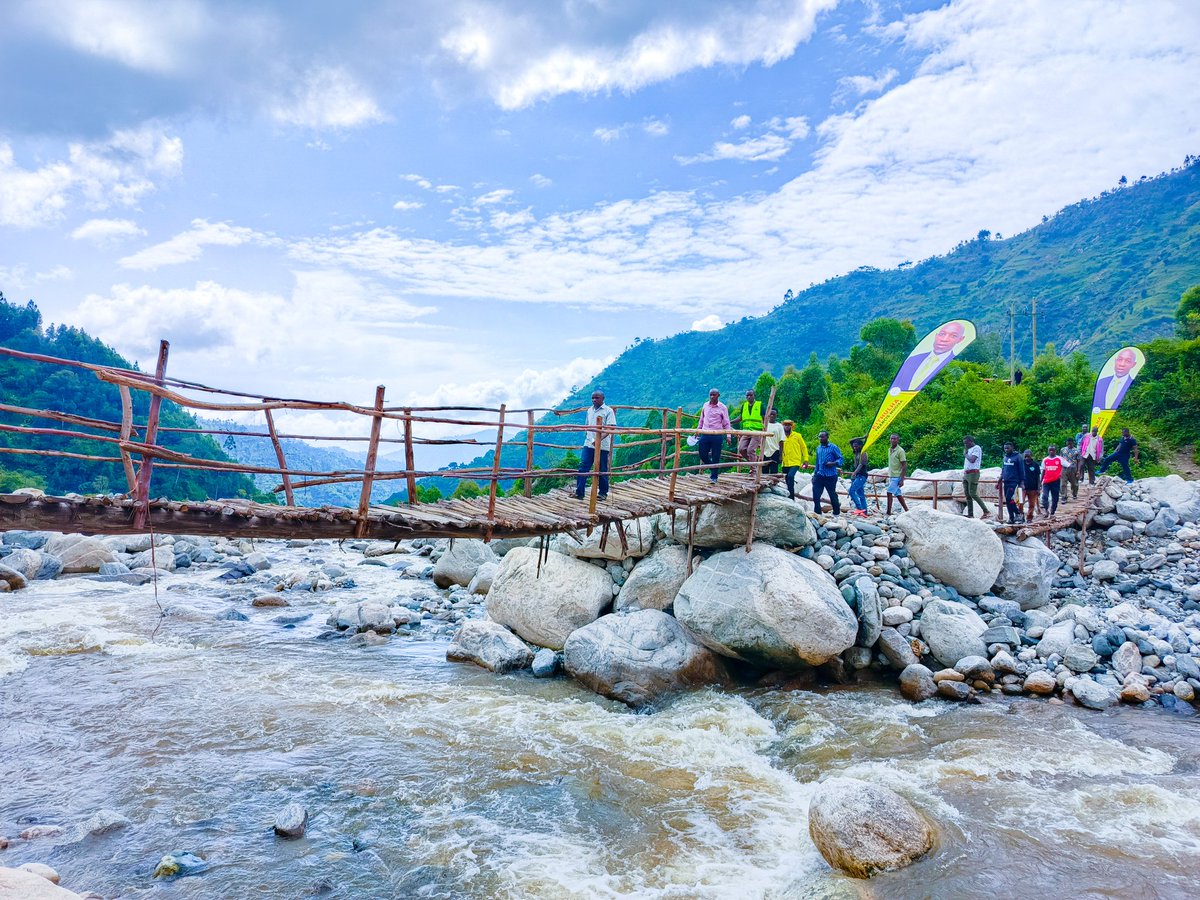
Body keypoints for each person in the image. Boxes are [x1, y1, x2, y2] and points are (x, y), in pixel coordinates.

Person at [891, 321, 965, 393]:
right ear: (936, 335)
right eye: (942, 334)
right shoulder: (913, 359)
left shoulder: (953, 365)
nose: (944, 339)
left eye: (953, 336)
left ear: (960, 339)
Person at [575, 390, 616, 501]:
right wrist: (590, 439)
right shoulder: (589, 410)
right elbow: (587, 426)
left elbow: (610, 428)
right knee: (583, 467)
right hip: (589, 444)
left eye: (597, 398)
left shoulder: (608, 411)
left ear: (603, 398)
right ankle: (579, 492)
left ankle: (603, 493)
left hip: (603, 445)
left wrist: (599, 439)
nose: (594, 400)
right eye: (593, 398)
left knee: (602, 469)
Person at [696, 388, 730, 482]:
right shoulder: (705, 405)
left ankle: (714, 477)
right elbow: (702, 419)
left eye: (714, 395)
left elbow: (726, 423)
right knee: (702, 454)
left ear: (718, 395)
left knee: (716, 456)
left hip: (717, 435)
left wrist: (728, 436)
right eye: (710, 395)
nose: (712, 397)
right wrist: (698, 430)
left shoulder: (723, 407)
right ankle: (713, 469)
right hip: (705, 433)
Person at [1093, 348, 1139, 413]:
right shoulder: (1102, 382)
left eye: (1128, 361)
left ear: (1133, 364)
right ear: (1115, 361)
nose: (1122, 364)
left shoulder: (1134, 385)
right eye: (1120, 359)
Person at [730, 389, 765, 467]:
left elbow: (765, 417)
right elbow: (740, 418)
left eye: (750, 395)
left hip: (756, 431)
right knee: (741, 449)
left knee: (750, 450)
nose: (749, 397)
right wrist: (730, 422)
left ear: (754, 395)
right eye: (747, 395)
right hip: (746, 432)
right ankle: (753, 462)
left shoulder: (759, 405)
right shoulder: (744, 405)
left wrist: (765, 429)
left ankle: (753, 469)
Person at [812, 431, 843, 515]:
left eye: (823, 437)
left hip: (830, 475)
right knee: (816, 494)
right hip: (820, 475)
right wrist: (815, 474)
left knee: (832, 494)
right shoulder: (818, 448)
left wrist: (833, 463)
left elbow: (841, 459)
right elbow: (817, 462)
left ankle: (836, 512)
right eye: (819, 437)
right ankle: (817, 513)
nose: (821, 439)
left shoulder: (833, 447)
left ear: (827, 437)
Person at [997, 442, 1026, 523]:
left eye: (1008, 448)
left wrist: (1022, 482)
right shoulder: (1005, 457)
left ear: (1012, 447)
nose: (1006, 450)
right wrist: (999, 480)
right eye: (1005, 448)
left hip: (1014, 481)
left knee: (1009, 497)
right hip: (1006, 481)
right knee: (1008, 500)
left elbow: (1021, 469)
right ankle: (1011, 518)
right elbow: (1003, 469)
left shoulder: (1018, 457)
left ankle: (1018, 513)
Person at [780, 420, 809, 500]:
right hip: (785, 462)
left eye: (789, 425)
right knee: (786, 479)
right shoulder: (781, 436)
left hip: (795, 461)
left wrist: (806, 459)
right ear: (783, 426)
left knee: (790, 476)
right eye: (785, 425)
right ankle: (788, 495)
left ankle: (791, 498)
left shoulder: (797, 436)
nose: (787, 426)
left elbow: (803, 447)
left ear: (792, 426)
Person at [962, 435, 989, 519]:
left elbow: (972, 460)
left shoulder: (976, 448)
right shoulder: (969, 449)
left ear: (971, 441)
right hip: (966, 473)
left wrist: (965, 455)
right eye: (964, 444)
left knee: (972, 493)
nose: (965, 445)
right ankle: (970, 514)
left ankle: (986, 511)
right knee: (967, 494)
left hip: (973, 473)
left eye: (966, 443)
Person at [886, 433, 908, 515]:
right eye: (891, 438)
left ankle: (888, 512)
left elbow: (904, 465)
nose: (893, 440)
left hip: (897, 476)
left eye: (895, 439)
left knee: (889, 492)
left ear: (898, 440)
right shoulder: (890, 449)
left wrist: (902, 479)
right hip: (891, 475)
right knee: (898, 494)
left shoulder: (900, 451)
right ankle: (906, 510)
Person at [848, 437, 869, 517]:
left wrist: (854, 473)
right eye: (854, 446)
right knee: (861, 494)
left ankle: (860, 508)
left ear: (861, 446)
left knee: (851, 491)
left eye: (856, 446)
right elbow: (850, 440)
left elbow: (861, 464)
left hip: (862, 476)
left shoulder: (863, 453)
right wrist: (863, 437)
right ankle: (865, 512)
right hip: (858, 476)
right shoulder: (856, 452)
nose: (855, 447)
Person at [1041, 445, 1065, 517]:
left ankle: (1052, 511)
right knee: (1045, 496)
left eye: (1053, 450)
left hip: (1055, 481)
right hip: (1046, 481)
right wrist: (1040, 481)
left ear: (1055, 451)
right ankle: (1046, 510)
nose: (1051, 452)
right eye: (1050, 450)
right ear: (1048, 451)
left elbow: (1068, 465)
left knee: (1055, 497)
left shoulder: (1059, 459)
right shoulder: (1045, 460)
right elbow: (1043, 471)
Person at [761, 410, 785, 475]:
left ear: (776, 415)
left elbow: (781, 441)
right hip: (765, 451)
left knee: (774, 472)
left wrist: (780, 455)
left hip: (775, 451)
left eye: (774, 414)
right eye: (770, 414)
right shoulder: (764, 425)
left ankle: (773, 485)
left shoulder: (779, 426)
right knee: (764, 471)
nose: (772, 416)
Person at [1022, 449, 1040, 521]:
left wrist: (1038, 488)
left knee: (1031, 504)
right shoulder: (1021, 464)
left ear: (1031, 456)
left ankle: (1029, 518)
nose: (1026, 458)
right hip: (1022, 488)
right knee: (1020, 503)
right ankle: (1021, 517)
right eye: (1025, 456)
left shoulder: (1035, 465)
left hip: (1033, 488)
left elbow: (1038, 477)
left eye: (1028, 456)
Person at [1061, 436, 1081, 500]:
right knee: (1063, 483)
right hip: (1064, 469)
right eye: (1068, 443)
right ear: (1066, 443)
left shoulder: (1076, 451)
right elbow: (1060, 460)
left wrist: (1078, 471)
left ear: (1073, 443)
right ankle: (1064, 496)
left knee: (1075, 484)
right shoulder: (1063, 450)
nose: (1069, 444)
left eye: (1070, 443)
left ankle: (1074, 494)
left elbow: (1079, 462)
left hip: (1073, 469)